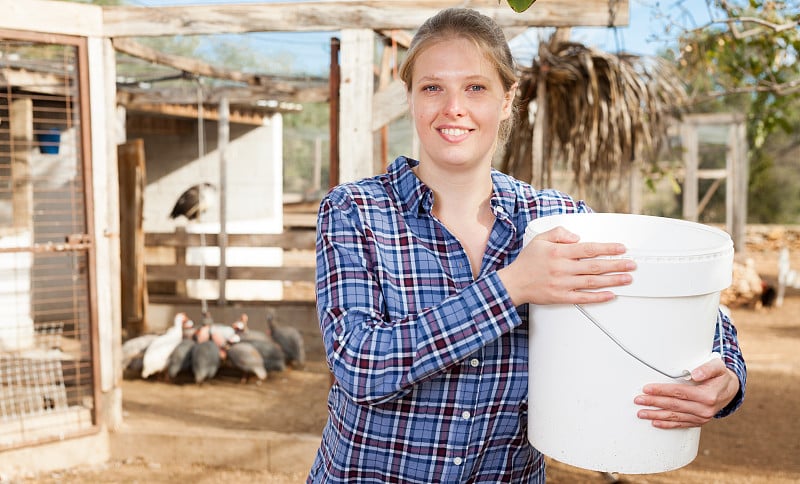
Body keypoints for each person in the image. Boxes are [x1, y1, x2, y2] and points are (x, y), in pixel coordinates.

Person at [308, 7, 746, 483]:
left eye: (475, 87)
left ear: (507, 98)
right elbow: (359, 365)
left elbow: (669, 297)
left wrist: (726, 375)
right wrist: (512, 286)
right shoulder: (355, 211)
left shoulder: (553, 219)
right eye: (432, 87)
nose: (453, 106)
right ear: (411, 97)